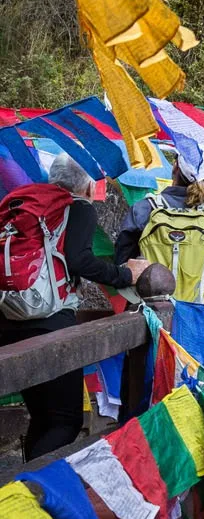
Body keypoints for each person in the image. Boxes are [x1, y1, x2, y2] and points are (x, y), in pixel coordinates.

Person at [0, 156, 150, 460]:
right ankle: (31, 492)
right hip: (50, 322)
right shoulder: (76, 207)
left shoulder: (23, 203)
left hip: (9, 317)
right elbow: (79, 260)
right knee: (65, 422)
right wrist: (126, 274)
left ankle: (25, 490)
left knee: (43, 418)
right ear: (86, 184)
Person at [115, 158, 204, 303]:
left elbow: (121, 263)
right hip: (196, 307)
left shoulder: (145, 207)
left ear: (175, 168)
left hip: (148, 308)